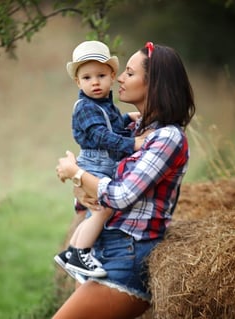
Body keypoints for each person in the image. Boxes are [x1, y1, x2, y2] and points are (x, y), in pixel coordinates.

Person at [54, 41, 196, 319]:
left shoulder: (168, 137)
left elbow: (121, 195)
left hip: (127, 256)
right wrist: (77, 181)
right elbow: (93, 185)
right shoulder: (132, 129)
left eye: (129, 73)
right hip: (101, 249)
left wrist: (77, 174)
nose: (119, 78)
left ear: (153, 84)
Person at [54, 40, 145, 278]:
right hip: (95, 164)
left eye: (101, 75)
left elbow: (111, 124)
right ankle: (79, 252)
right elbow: (101, 136)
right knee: (104, 209)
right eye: (87, 78)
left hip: (103, 163)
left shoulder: (104, 103)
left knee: (96, 211)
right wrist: (132, 143)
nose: (94, 82)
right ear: (78, 82)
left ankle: (69, 253)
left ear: (112, 75)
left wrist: (126, 119)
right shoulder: (84, 107)